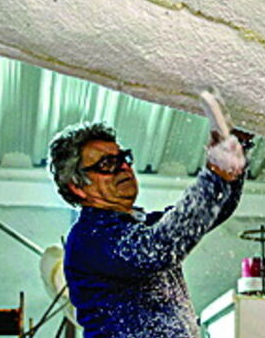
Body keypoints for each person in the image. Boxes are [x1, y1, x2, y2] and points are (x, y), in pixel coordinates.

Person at [48, 120, 247, 338]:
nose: (123, 167)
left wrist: (236, 155)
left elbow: (215, 210)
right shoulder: (90, 239)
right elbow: (157, 249)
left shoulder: (141, 226)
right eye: (107, 164)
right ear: (77, 187)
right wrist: (215, 176)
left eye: (123, 158)